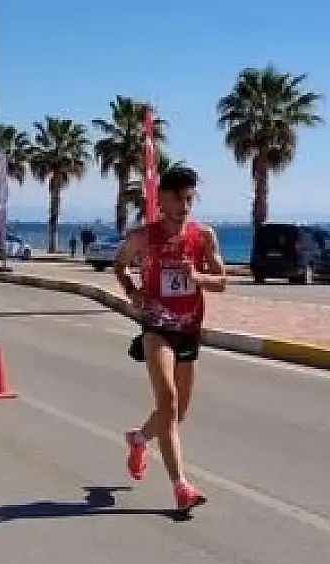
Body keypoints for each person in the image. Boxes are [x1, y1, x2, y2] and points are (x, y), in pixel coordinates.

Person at [112, 166, 226, 514]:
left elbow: (222, 281)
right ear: (160, 199)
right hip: (157, 328)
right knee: (169, 401)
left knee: (177, 413)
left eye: (189, 199)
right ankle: (181, 486)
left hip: (189, 329)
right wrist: (133, 291)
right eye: (177, 199)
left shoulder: (203, 236)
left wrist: (199, 277)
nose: (183, 206)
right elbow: (120, 265)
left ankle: (139, 438)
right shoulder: (142, 237)